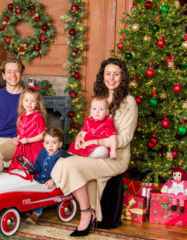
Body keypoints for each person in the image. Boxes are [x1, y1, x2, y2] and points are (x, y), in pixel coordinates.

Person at [51, 58, 138, 237]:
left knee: (69, 165)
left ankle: (85, 215)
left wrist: (97, 143)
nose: (111, 78)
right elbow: (87, 127)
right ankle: (87, 211)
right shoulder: (99, 99)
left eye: (116, 74)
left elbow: (124, 138)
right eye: (108, 74)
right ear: (102, 76)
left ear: (122, 77)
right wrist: (81, 138)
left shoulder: (129, 102)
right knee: (63, 162)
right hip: (92, 152)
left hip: (116, 157)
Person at [25, 127, 69, 225]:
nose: (50, 146)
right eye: (47, 143)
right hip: (40, 179)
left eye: (54, 142)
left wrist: (53, 180)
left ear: (60, 144)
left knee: (42, 193)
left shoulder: (61, 156)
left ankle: (36, 214)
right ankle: (28, 206)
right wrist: (30, 169)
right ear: (44, 144)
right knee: (28, 188)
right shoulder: (42, 152)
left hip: (53, 183)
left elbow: (62, 171)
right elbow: (37, 166)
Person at [9, 87, 47, 171]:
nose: (29, 103)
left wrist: (29, 140)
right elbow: (20, 134)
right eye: (26, 100)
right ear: (22, 101)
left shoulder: (38, 117)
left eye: (32, 101)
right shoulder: (22, 116)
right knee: (19, 168)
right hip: (22, 148)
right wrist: (17, 139)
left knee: (31, 169)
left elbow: (43, 134)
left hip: (34, 148)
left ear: (37, 103)